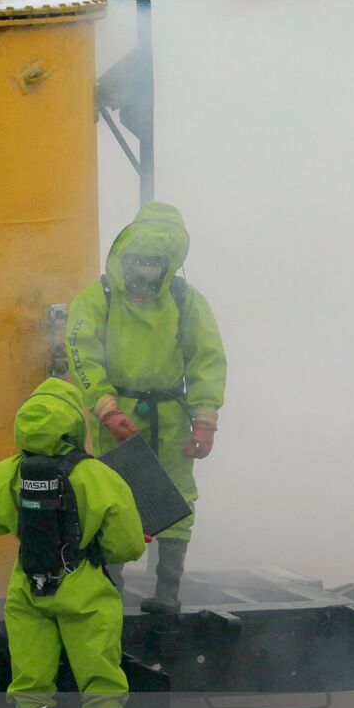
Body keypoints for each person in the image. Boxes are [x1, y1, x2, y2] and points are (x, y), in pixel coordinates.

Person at [65, 201, 226, 614]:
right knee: (112, 497)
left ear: (168, 264)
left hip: (170, 416)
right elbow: (81, 352)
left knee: (177, 497)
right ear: (125, 258)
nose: (144, 277)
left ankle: (167, 592)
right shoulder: (97, 298)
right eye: (139, 265)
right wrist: (105, 407)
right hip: (116, 414)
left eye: (154, 267)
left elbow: (206, 357)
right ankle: (109, 589)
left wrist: (205, 418)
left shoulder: (184, 300)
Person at [0, 378, 147, 708]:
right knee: (102, 685)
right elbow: (127, 546)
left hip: (27, 587)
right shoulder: (98, 476)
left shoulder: (3, 475)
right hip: (84, 590)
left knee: (29, 686)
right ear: (74, 425)